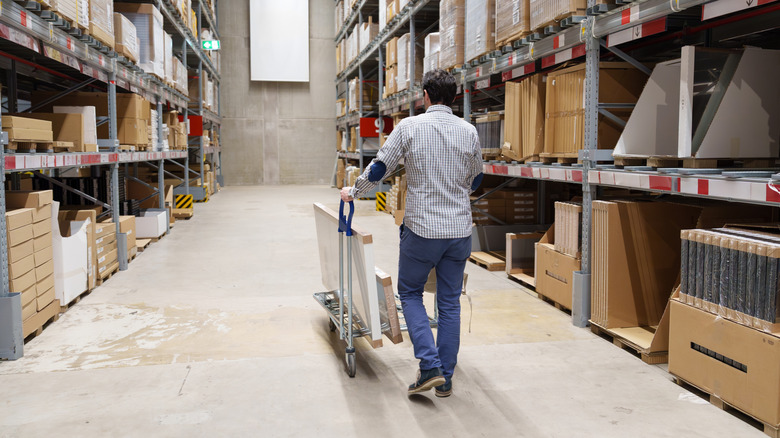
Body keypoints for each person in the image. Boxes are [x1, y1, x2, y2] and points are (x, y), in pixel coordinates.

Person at [341, 69, 483, 397]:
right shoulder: (469, 131)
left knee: (410, 293)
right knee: (449, 301)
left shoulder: (409, 127)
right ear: (453, 97)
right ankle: (444, 379)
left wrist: (355, 190)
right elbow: (477, 179)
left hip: (422, 230)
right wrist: (455, 192)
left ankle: (429, 365)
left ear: (426, 96)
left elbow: (380, 168)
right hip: (460, 231)